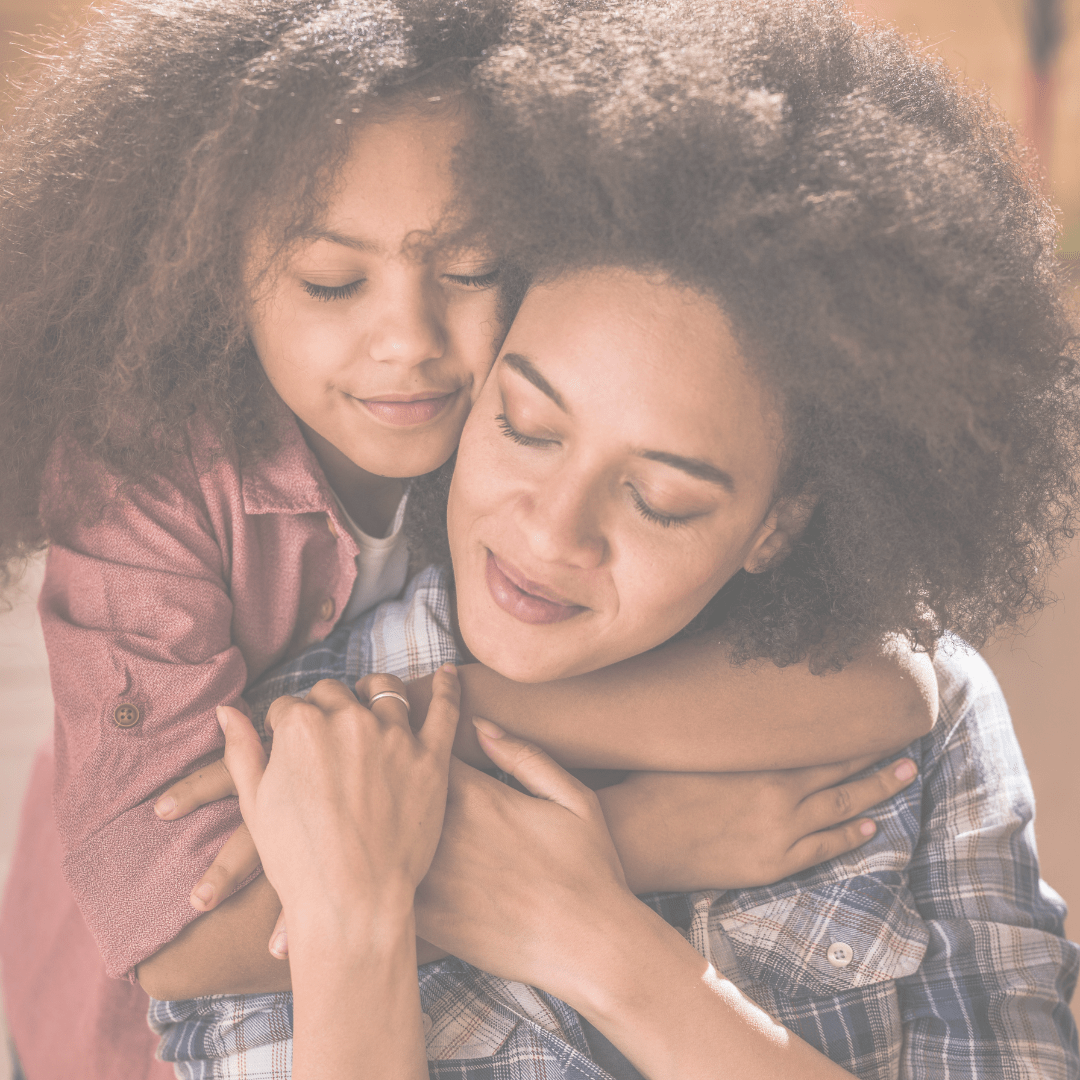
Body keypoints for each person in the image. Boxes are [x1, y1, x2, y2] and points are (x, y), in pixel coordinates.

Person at [141, 0, 1080, 1075]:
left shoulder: (930, 721)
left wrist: (600, 946)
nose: (552, 529)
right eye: (527, 427)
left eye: (662, 500)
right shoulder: (307, 738)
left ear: (778, 526)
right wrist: (355, 937)